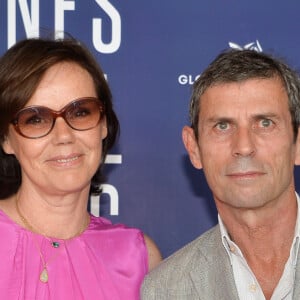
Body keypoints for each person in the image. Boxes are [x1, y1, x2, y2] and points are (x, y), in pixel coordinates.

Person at [0, 37, 162, 299]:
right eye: (36, 119)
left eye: (80, 112)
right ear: (6, 139)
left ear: (104, 125)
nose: (63, 135)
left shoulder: (138, 259)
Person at [142, 49, 300, 299]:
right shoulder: (165, 290)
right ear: (193, 148)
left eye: (265, 123)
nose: (244, 146)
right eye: (223, 126)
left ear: (297, 143)